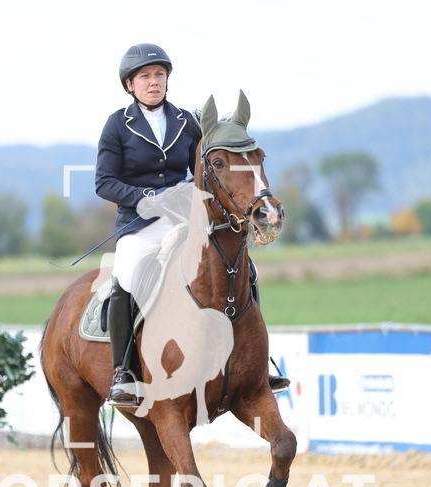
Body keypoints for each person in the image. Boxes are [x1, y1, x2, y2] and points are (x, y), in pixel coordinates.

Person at [95, 43, 289, 407]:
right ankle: (124, 372)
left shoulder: (187, 122)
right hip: (140, 224)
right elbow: (104, 182)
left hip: (186, 220)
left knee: (246, 270)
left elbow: (205, 173)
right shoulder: (117, 126)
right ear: (130, 85)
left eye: (159, 75)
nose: (154, 82)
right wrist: (147, 198)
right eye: (145, 77)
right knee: (129, 272)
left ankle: (259, 362)